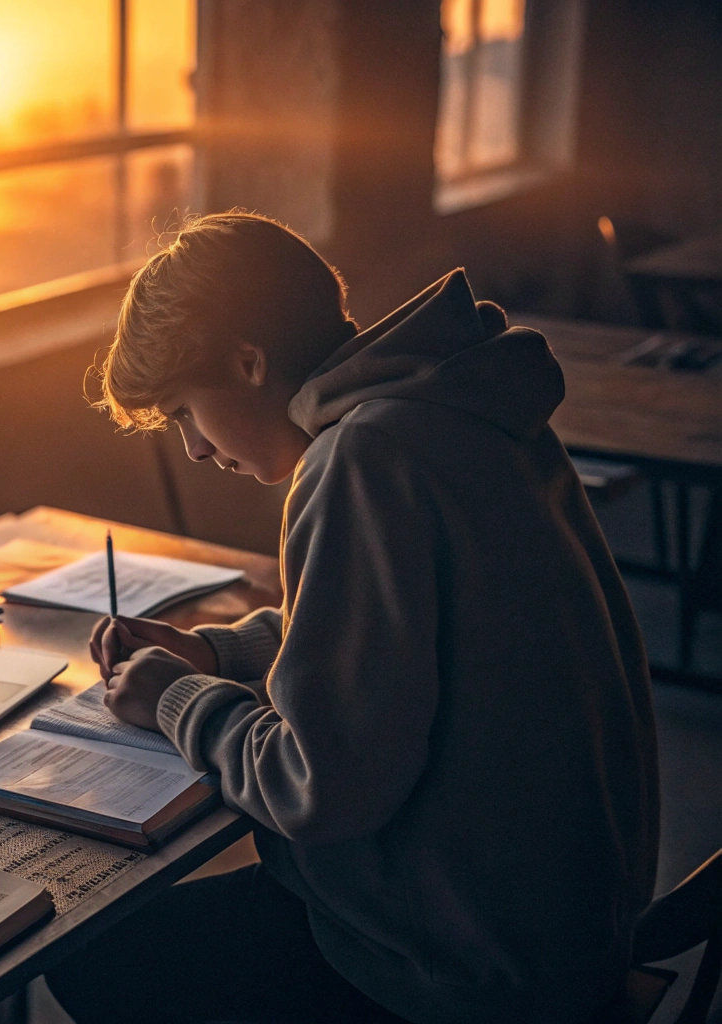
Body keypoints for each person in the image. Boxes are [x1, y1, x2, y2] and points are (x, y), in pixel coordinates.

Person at [44, 213, 659, 1024]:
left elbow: (320, 790)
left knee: (93, 956)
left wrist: (174, 699)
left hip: (465, 963)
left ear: (247, 362)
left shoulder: (359, 459)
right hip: (563, 913)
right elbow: (406, 630)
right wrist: (210, 651)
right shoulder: (455, 402)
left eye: (186, 412)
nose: (193, 449)